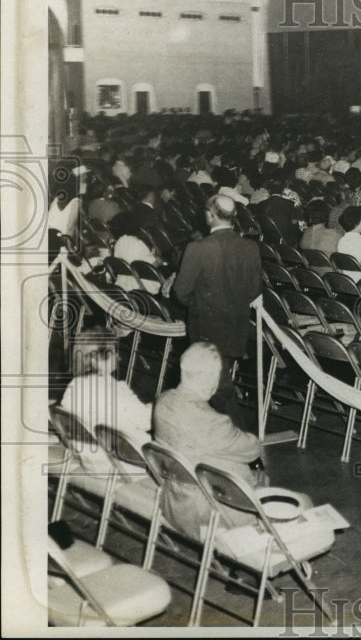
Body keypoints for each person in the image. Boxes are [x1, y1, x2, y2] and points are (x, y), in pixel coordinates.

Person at [152, 342, 265, 541]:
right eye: (213, 375)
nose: (214, 382)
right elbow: (252, 448)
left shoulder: (163, 401)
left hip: (176, 504)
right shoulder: (212, 422)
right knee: (300, 503)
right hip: (216, 513)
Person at [170, 193, 263, 428]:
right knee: (217, 385)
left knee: (219, 390)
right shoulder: (251, 247)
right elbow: (254, 290)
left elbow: (180, 293)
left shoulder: (197, 248)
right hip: (237, 328)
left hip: (205, 328)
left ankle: (241, 444)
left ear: (209, 215)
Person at [60, 328, 152, 473]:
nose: (118, 357)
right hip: (123, 468)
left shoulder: (73, 386)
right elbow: (145, 422)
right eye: (114, 353)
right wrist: (156, 407)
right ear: (97, 359)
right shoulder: (115, 389)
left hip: (90, 463)